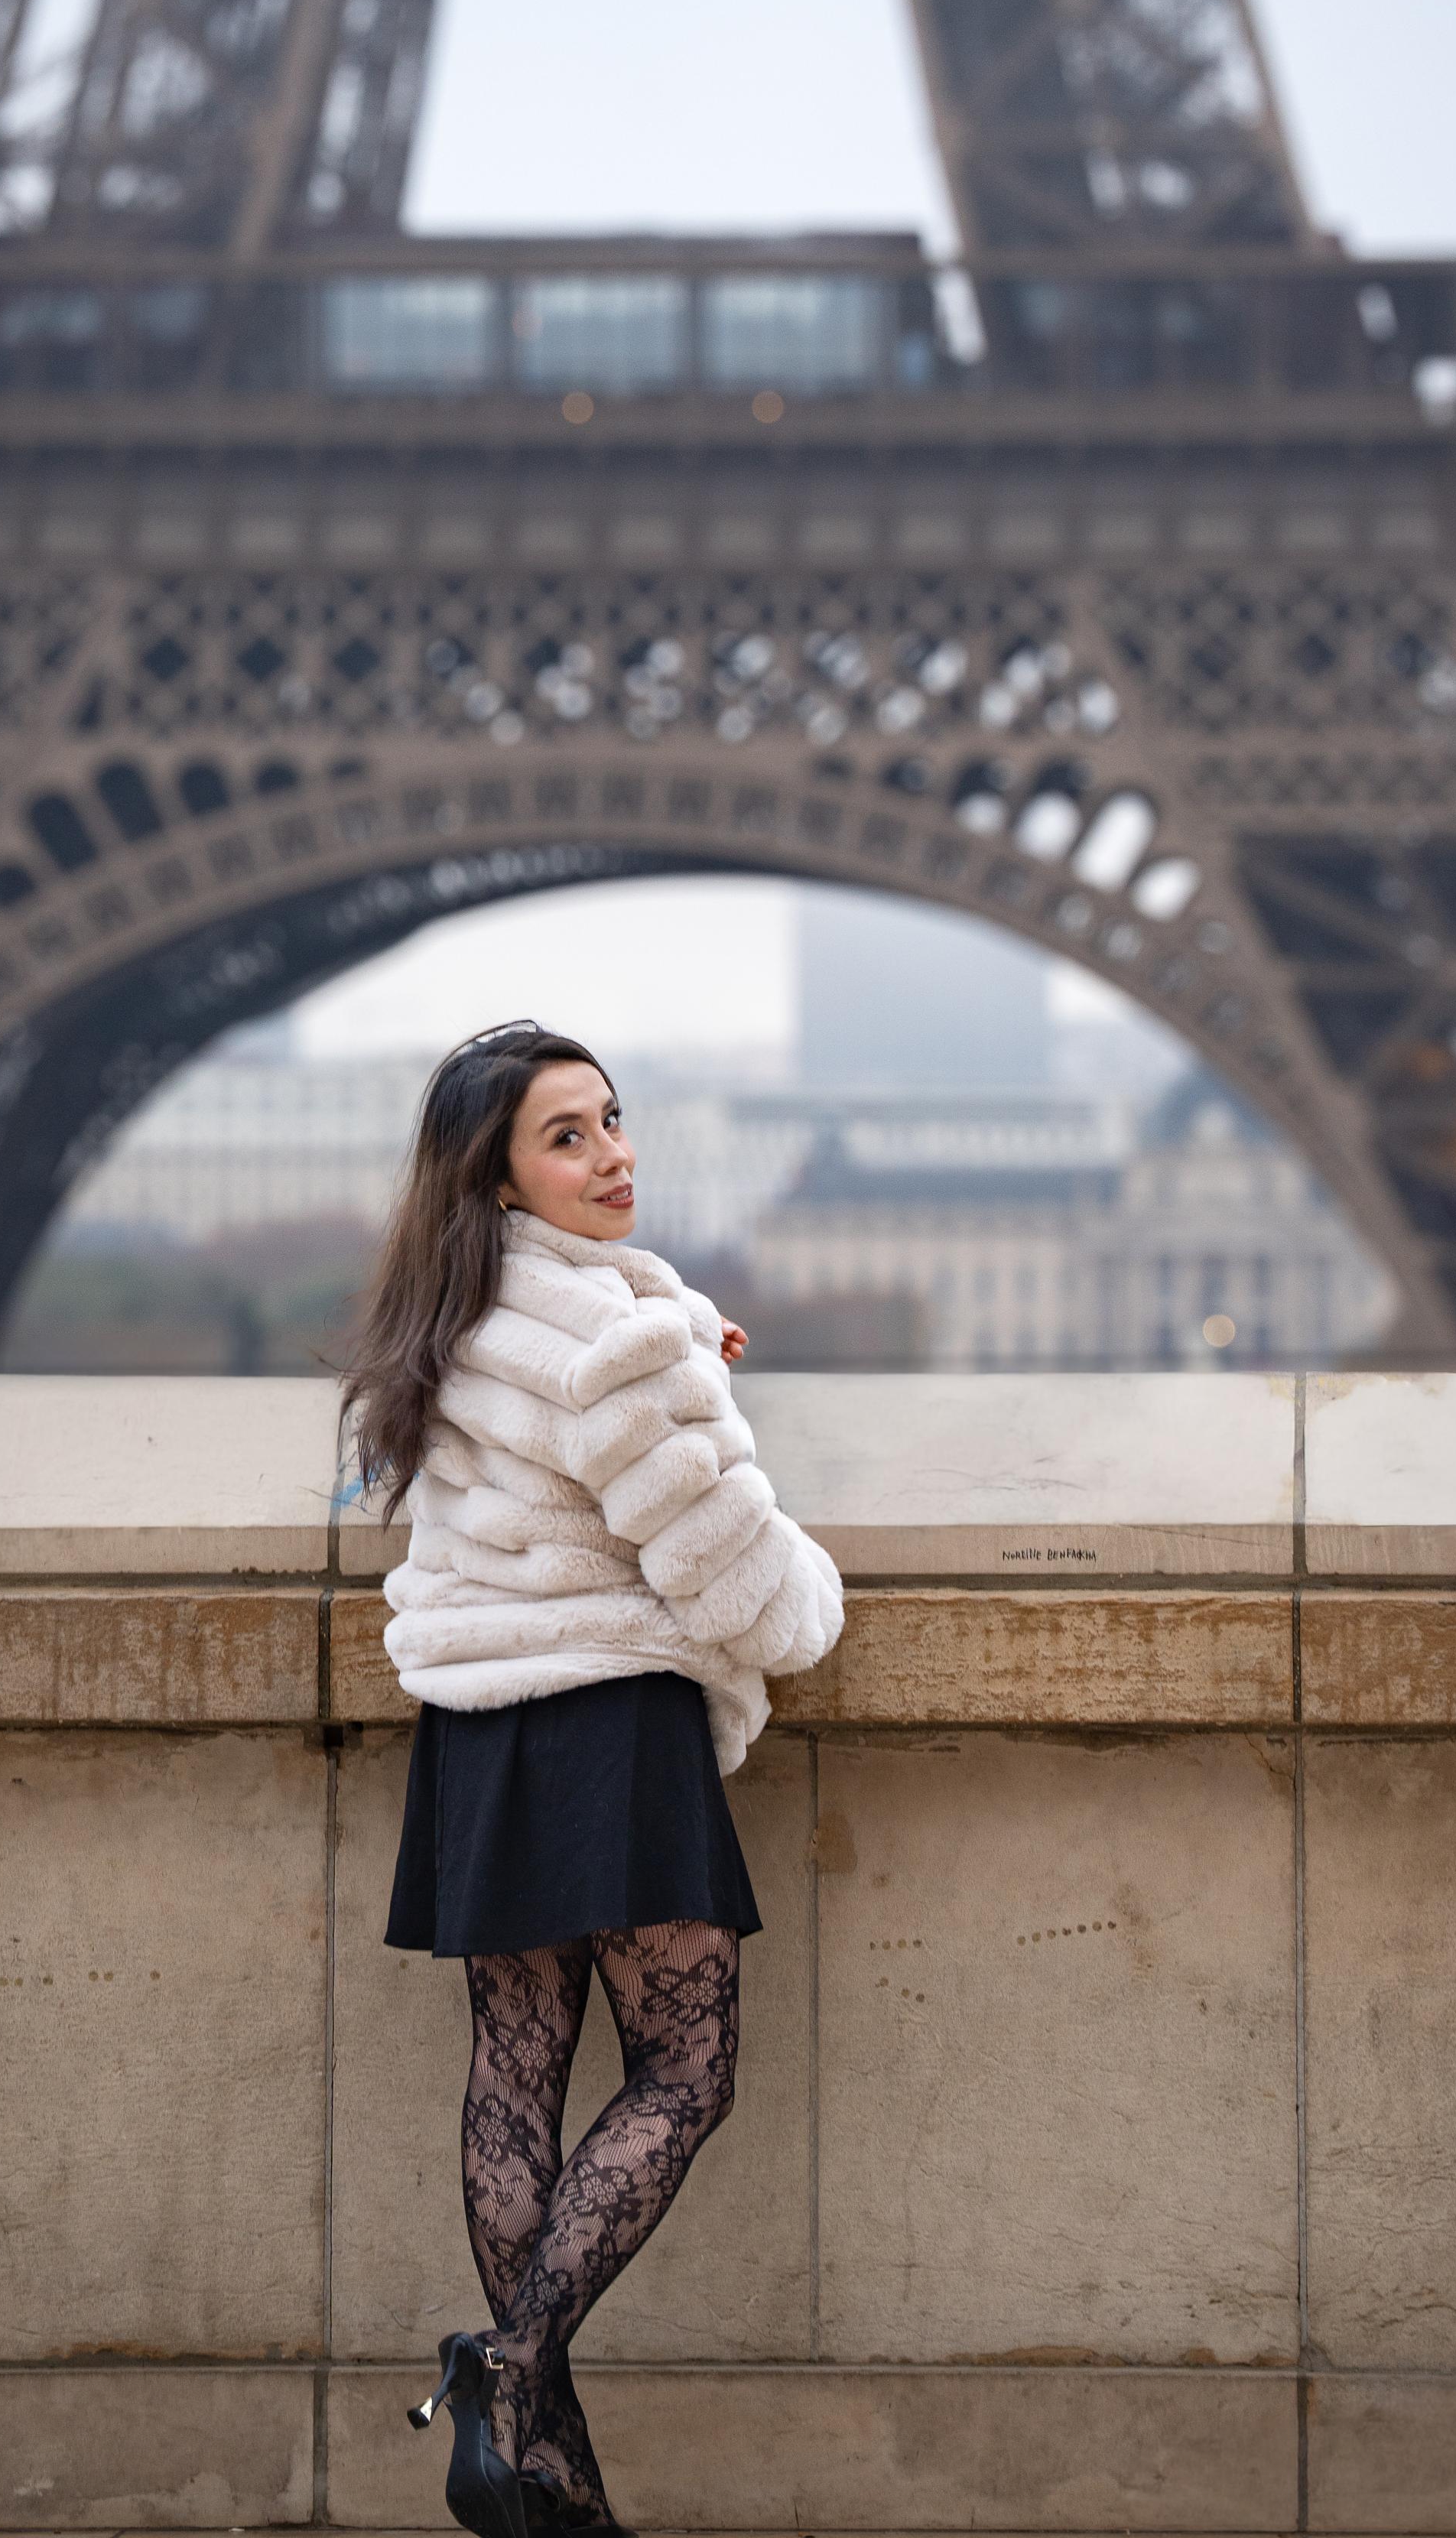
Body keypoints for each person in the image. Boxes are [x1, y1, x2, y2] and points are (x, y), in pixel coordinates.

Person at [340, 1019, 843, 2538]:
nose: (612, 1152)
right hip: (611, 1726)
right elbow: (743, 1586)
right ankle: (507, 2372)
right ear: (496, 1172)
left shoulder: (438, 1323)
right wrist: (690, 1385)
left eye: (612, 1119)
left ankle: (543, 2470)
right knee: (686, 2074)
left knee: (515, 2082)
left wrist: (687, 1353)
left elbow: (417, 1489)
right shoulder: (623, 1345)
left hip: (482, 1731)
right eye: (566, 1134)